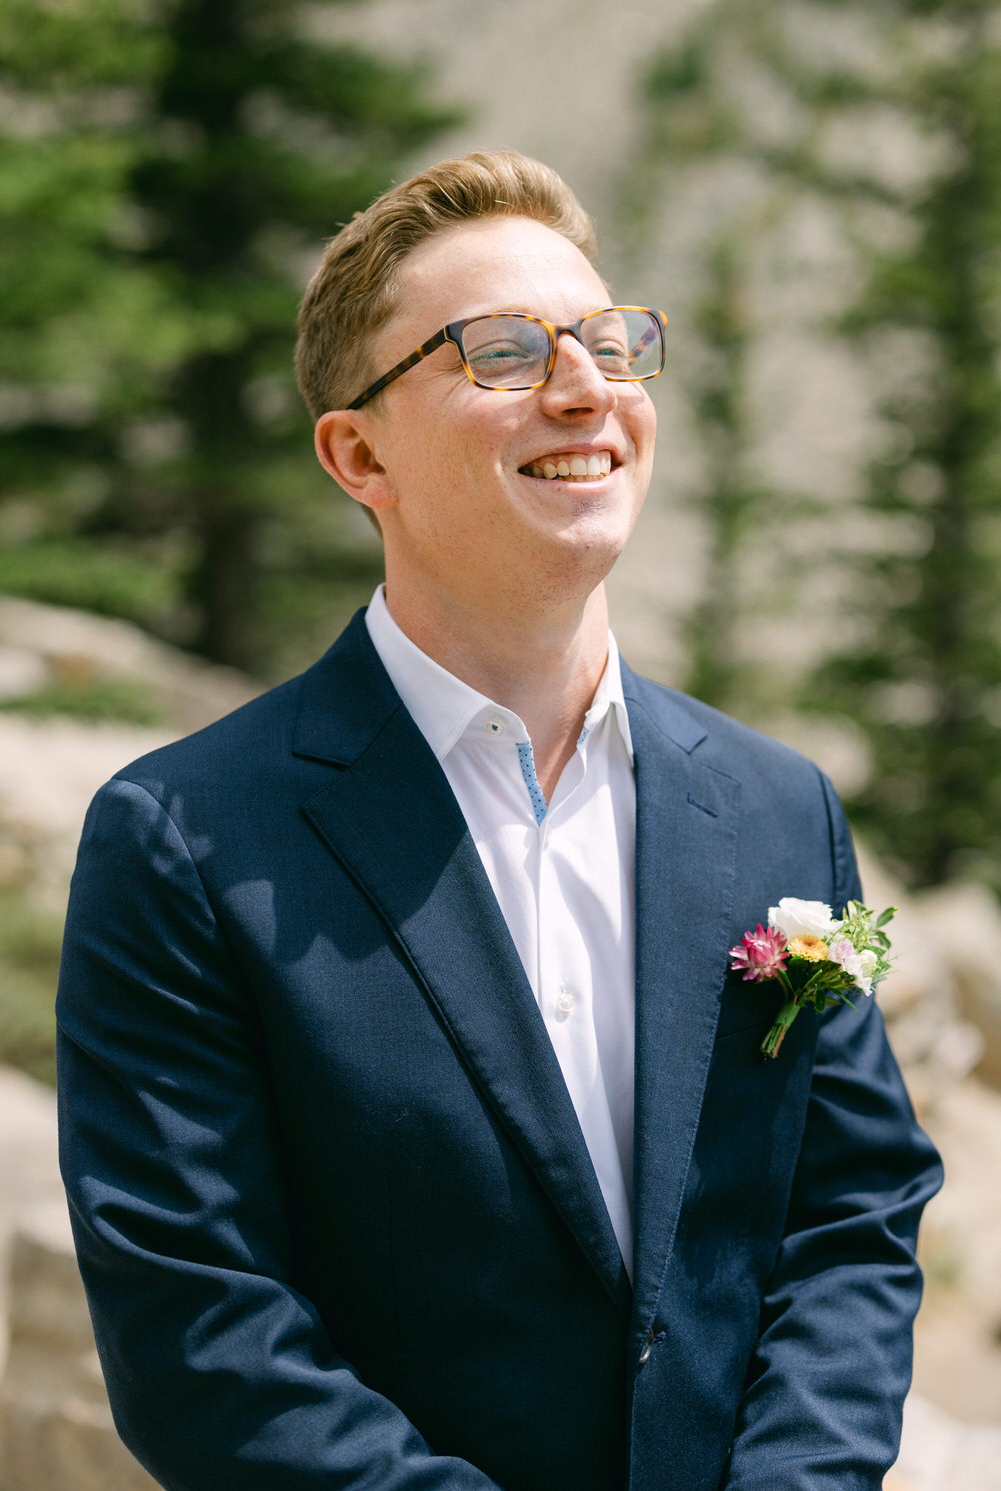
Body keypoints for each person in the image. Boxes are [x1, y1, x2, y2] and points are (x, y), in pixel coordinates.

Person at [57, 150, 942, 1491]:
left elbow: (847, 1220)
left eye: (607, 343)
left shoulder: (774, 806)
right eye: (505, 353)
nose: (585, 387)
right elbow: (199, 1327)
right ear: (360, 453)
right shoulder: (185, 838)